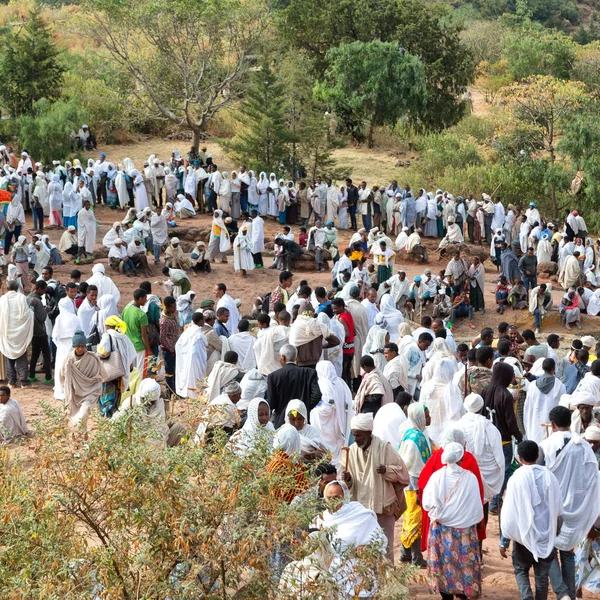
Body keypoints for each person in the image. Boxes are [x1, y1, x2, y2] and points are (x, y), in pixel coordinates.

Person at [539, 406, 600, 600]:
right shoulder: (583, 446)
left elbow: (538, 476)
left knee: (548, 551)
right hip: (575, 508)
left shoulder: (546, 445)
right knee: (567, 552)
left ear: (553, 424)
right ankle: (570, 595)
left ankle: (562, 592)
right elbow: (593, 479)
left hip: (550, 506)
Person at [500, 440, 563, 600]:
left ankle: (526, 597)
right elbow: (558, 509)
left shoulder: (516, 478)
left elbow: (509, 513)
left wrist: (504, 541)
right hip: (545, 536)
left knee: (521, 570)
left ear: (519, 458)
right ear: (537, 456)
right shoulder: (549, 476)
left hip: (523, 537)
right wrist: (555, 532)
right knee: (542, 576)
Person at [343, 413, 409, 563]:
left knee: (385, 549)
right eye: (354, 435)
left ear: (369, 433)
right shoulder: (351, 451)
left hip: (382, 508)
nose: (356, 439)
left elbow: (403, 473)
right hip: (360, 511)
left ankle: (387, 585)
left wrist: (387, 470)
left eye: (359, 435)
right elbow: (347, 480)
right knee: (362, 549)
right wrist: (347, 480)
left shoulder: (384, 448)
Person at [422, 442, 484, 600]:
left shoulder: (436, 477)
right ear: (462, 458)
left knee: (444, 566)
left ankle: (446, 596)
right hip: (465, 532)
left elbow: (427, 504)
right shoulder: (470, 478)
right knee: (464, 568)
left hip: (441, 530)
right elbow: (477, 508)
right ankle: (463, 594)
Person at [316, 481, 387, 598]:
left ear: (345, 497)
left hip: (359, 573)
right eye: (329, 498)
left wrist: (367, 549)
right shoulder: (322, 519)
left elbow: (379, 539)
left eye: (337, 497)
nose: (333, 501)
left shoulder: (361, 515)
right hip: (331, 575)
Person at [483, 361, 523, 514]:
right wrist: (519, 436)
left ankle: (489, 499)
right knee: (504, 471)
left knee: (491, 470)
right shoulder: (505, 395)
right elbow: (510, 421)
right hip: (503, 440)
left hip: (487, 438)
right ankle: (495, 501)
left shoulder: (485, 390)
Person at [458, 393, 505, 511]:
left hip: (463, 476)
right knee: (482, 507)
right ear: (482, 407)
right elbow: (499, 459)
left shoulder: (457, 426)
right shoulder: (490, 428)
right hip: (485, 478)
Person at [399, 403, 432, 567]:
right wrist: (420, 492)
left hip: (410, 485)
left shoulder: (412, 433)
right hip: (415, 486)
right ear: (418, 417)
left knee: (409, 517)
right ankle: (416, 557)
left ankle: (404, 553)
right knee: (415, 520)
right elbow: (416, 468)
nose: (429, 418)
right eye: (426, 415)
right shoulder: (416, 438)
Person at [267, 345, 321, 428]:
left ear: (283, 358)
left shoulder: (274, 376)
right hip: (302, 420)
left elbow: (271, 403)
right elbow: (316, 395)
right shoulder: (309, 373)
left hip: (282, 420)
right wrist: (304, 408)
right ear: (296, 358)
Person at [311, 361, 354, 466]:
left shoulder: (324, 384)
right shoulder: (340, 382)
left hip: (329, 424)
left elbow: (326, 408)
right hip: (340, 421)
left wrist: (313, 410)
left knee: (329, 451)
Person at [97, 316, 137, 418]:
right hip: (121, 372)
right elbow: (132, 354)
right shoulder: (124, 337)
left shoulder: (107, 336)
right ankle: (115, 415)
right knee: (117, 395)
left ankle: (111, 416)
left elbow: (102, 353)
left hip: (109, 372)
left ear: (109, 326)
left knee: (106, 397)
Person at [61, 330, 103, 427]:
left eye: (82, 346)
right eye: (78, 346)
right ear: (73, 346)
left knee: (82, 416)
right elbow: (62, 375)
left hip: (90, 392)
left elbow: (98, 376)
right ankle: (84, 439)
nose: (80, 349)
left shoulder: (92, 359)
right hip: (75, 394)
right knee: (79, 421)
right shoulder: (68, 359)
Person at [419, 358, 464, 448]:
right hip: (449, 433)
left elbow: (421, 408)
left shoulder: (426, 387)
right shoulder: (453, 389)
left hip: (430, 430)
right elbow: (460, 412)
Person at [523, 358, 566, 444]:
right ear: (554, 369)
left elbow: (527, 407)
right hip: (553, 427)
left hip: (534, 426)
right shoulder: (560, 386)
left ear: (542, 368)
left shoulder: (532, 386)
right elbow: (563, 408)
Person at [0, 281, 34, 387]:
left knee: (9, 356)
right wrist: (32, 310)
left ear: (7, 288)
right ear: (17, 287)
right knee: (22, 355)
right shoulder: (22, 298)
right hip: (20, 332)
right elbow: (27, 314)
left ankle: (11, 382)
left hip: (7, 332)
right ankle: (24, 381)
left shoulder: (2, 299)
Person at [27, 280, 53, 385]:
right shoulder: (37, 301)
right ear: (38, 289)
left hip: (31, 331)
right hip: (40, 331)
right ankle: (48, 377)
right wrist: (46, 310)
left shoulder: (27, 298)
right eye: (44, 289)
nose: (45, 291)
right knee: (46, 354)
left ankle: (32, 375)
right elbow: (42, 318)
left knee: (35, 354)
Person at [122, 289, 151, 378]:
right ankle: (139, 390)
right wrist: (149, 350)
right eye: (145, 298)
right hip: (139, 347)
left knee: (131, 371)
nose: (146, 300)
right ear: (140, 298)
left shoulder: (125, 310)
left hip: (128, 345)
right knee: (140, 371)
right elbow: (144, 335)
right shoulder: (142, 315)